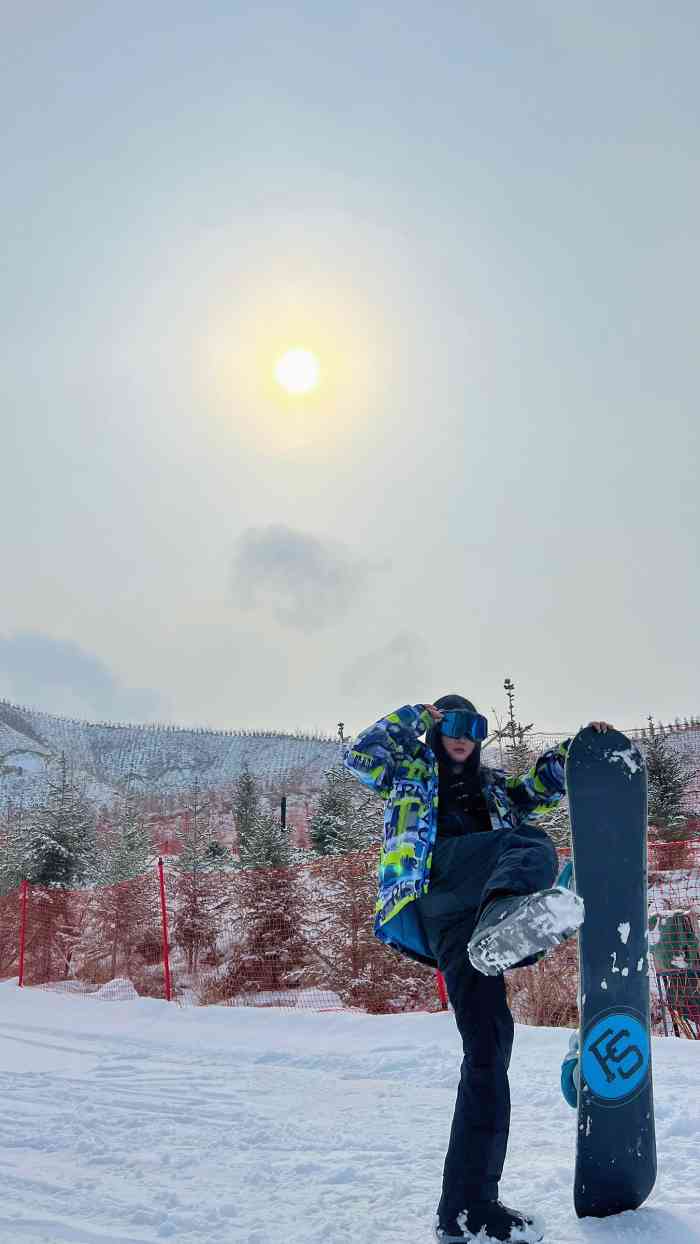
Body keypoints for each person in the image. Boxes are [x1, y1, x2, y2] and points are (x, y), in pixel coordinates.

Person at [344, 694, 612, 1244]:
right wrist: (415, 716)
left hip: (473, 925)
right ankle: (505, 913)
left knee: (489, 1050)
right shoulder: (409, 772)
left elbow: (540, 786)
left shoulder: (493, 787)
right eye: (453, 726)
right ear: (438, 732)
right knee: (530, 844)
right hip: (437, 888)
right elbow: (360, 756)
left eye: (473, 727)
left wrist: (581, 746)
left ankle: (467, 1209)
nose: (463, 736)